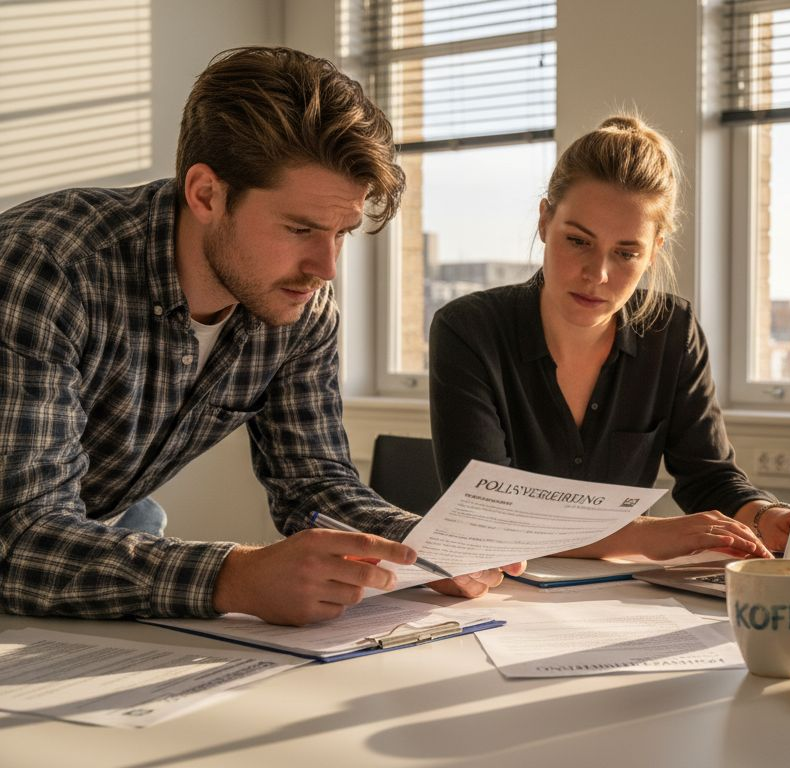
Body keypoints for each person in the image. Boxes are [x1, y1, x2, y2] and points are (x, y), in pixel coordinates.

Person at [0, 46, 520, 626]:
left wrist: (421, 546)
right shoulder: (47, 268)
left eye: (342, 232)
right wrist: (233, 576)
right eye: (299, 228)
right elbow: (18, 537)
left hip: (98, 535)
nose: (326, 267)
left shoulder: (298, 304)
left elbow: (313, 483)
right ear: (205, 194)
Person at [429, 115, 790, 561]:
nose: (597, 275)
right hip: (500, 592)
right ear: (545, 221)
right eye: (578, 241)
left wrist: (765, 517)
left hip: (619, 598)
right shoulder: (468, 330)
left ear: (655, 249)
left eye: (626, 253)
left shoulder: (672, 332)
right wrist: (644, 536)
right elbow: (488, 516)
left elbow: (709, 479)